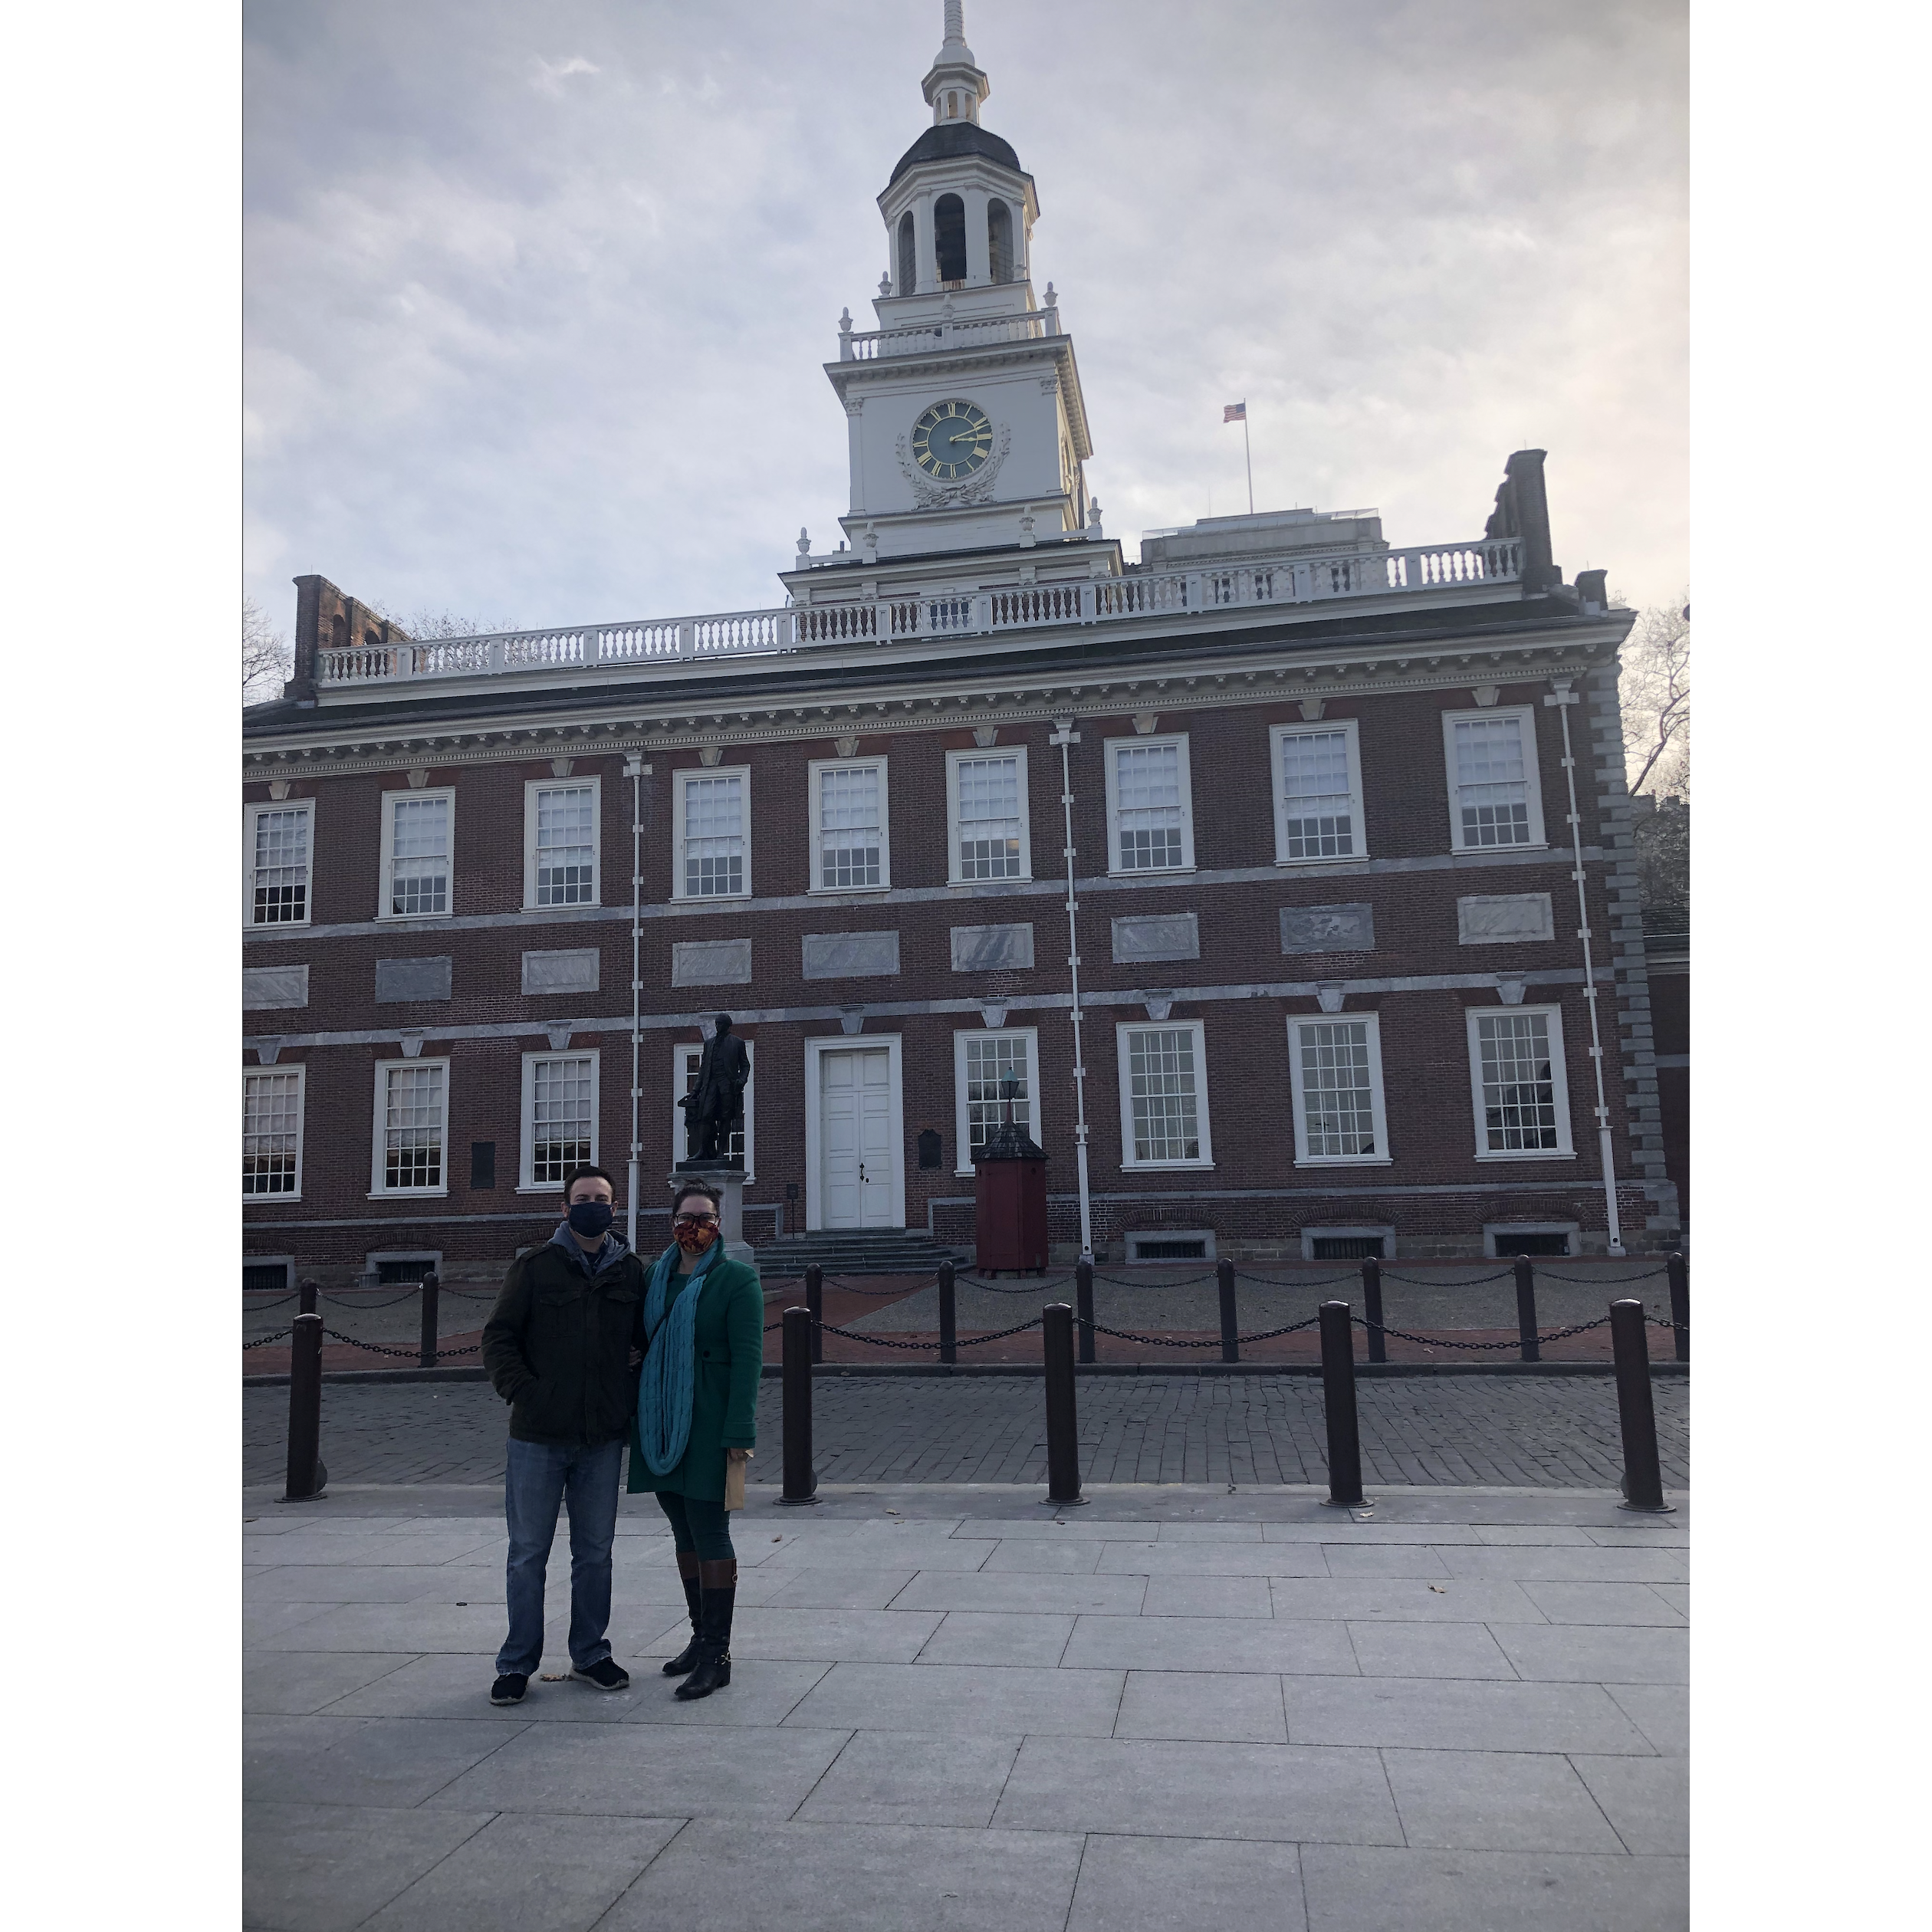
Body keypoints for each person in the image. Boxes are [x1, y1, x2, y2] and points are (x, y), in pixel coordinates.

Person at [480, 1164, 647, 1706]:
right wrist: (525, 1393)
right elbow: (499, 1337)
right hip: (538, 1436)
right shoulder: (535, 1267)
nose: (592, 1205)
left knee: (595, 1553)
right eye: (583, 1197)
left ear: (614, 1208)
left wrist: (632, 1376)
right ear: (564, 1207)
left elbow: (645, 1339)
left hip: (601, 1435)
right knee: (528, 1552)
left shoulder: (630, 1272)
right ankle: (516, 1662)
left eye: (601, 1197)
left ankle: (591, 1653)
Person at [629, 1178, 764, 1700]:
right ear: (672, 1222)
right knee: (681, 1528)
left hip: (710, 1421)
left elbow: (749, 1361)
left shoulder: (736, 1281)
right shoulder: (654, 1279)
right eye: (686, 1217)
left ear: (719, 1223)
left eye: (704, 1218)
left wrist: (739, 1431)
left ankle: (717, 1654)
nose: (694, 1227)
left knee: (710, 1530)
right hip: (661, 1419)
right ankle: (698, 1635)